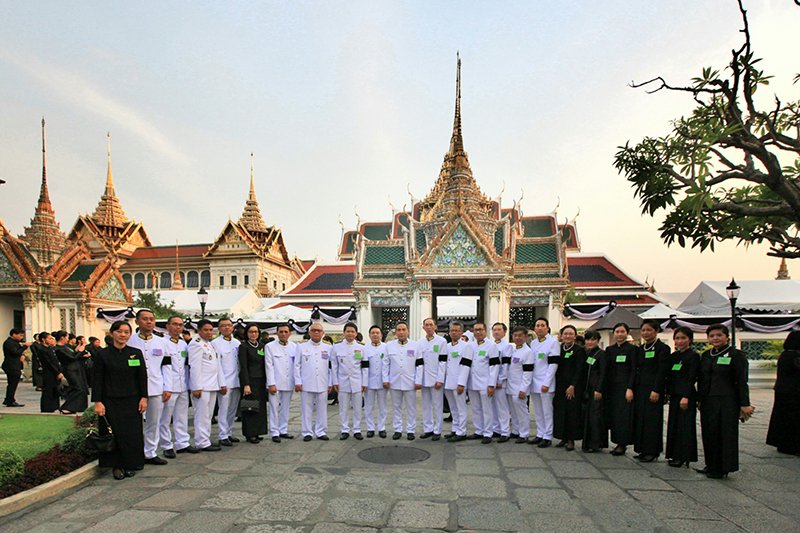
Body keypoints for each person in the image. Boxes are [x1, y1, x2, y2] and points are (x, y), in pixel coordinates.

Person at [696, 323, 754, 479]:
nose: (715, 338)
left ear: (727, 337)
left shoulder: (736, 355)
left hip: (727, 401)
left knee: (725, 434)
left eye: (719, 335)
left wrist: (745, 403)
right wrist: (700, 398)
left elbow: (742, 381)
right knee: (709, 433)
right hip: (708, 400)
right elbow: (702, 379)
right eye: (712, 336)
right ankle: (711, 465)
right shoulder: (707, 355)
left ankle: (723, 467)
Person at [92, 320, 148, 480]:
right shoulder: (102, 355)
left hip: (132, 400)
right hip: (110, 401)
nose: (123, 335)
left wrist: (144, 397)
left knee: (131, 433)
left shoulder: (135, 353)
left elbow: (142, 377)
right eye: (119, 331)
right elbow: (97, 380)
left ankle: (131, 463)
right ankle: (116, 466)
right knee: (114, 433)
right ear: (112, 333)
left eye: (126, 332)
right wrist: (98, 401)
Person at [128, 309, 170, 464]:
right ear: (137, 321)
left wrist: (167, 387)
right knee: (134, 422)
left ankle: (150, 452)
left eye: (151, 319)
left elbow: (166, 366)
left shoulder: (162, 342)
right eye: (145, 319)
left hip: (155, 386)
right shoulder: (129, 340)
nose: (149, 322)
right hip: (133, 389)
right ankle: (135, 451)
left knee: (154, 421)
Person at [632, 319, 671, 463]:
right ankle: (642, 449)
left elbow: (662, 371)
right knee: (641, 419)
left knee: (652, 420)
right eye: (643, 330)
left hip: (654, 389)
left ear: (656, 331)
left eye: (649, 330)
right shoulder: (641, 349)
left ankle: (652, 451)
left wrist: (657, 389)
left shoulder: (662, 349)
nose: (645, 333)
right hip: (640, 388)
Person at [189, 319, 228, 452]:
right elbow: (195, 367)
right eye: (206, 330)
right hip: (202, 386)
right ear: (199, 330)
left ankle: (206, 439)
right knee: (202, 415)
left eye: (211, 330)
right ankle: (201, 442)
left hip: (212, 385)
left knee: (209, 415)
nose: (209, 332)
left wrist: (221, 384)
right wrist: (196, 386)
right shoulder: (196, 344)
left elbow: (216, 366)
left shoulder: (209, 344)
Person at [160, 315, 196, 457]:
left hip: (183, 385)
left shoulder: (184, 344)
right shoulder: (162, 343)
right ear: (168, 326)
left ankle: (182, 443)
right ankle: (166, 445)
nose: (178, 327)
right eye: (174, 324)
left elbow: (187, 366)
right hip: (169, 386)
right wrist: (166, 387)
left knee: (182, 415)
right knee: (165, 417)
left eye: (180, 325)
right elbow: (163, 366)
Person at [665, 327, 700, 467]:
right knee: (673, 425)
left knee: (685, 427)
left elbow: (692, 377)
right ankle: (673, 454)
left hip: (686, 396)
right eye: (677, 338)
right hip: (674, 395)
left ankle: (684, 456)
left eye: (683, 338)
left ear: (690, 340)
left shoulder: (693, 356)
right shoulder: (674, 356)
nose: (680, 341)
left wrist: (686, 396)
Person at [383, 321, 423, 440]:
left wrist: (418, 380)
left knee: (411, 407)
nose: (401, 332)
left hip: (410, 381)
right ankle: (397, 429)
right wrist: (385, 379)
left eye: (403, 329)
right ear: (395, 332)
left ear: (408, 331)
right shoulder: (389, 346)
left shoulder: (415, 346)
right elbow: (385, 364)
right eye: (399, 330)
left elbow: (419, 365)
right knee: (396, 407)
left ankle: (410, 430)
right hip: (394, 381)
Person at [294, 322, 333, 441]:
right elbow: (297, 365)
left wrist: (330, 382)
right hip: (306, 382)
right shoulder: (301, 347)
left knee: (322, 408)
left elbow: (331, 368)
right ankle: (307, 432)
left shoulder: (329, 348)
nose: (316, 332)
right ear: (309, 332)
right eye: (314, 330)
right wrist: (298, 381)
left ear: (323, 333)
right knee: (306, 408)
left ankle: (321, 431)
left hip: (322, 382)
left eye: (319, 331)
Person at [604, 322, 637, 456]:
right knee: (614, 416)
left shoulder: (632, 350)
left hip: (625, 387)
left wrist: (630, 388)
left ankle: (622, 444)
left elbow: (634, 370)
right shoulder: (610, 350)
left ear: (627, 333)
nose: (619, 334)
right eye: (617, 331)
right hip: (612, 388)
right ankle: (616, 441)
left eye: (622, 331)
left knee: (623, 416)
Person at [331, 322, 368, 440]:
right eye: (348, 331)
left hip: (357, 381)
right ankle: (344, 429)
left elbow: (365, 367)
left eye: (353, 331)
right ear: (344, 332)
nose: (350, 334)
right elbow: (334, 366)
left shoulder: (362, 348)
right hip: (342, 382)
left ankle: (357, 429)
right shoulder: (336, 347)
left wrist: (364, 383)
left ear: (356, 333)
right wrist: (335, 382)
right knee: (343, 407)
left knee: (358, 407)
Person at [465, 322, 500, 444]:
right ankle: (478, 430)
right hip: (472, 382)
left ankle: (488, 432)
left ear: (485, 331)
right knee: (475, 408)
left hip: (485, 383)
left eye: (480, 329)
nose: (478, 332)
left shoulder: (491, 346)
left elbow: (494, 367)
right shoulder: (470, 346)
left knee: (487, 409)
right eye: (476, 330)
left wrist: (491, 384)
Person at [553, 324, 586, 452]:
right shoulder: (559, 349)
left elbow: (579, 370)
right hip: (560, 385)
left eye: (570, 334)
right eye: (565, 334)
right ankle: (563, 437)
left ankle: (571, 439)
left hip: (573, 386)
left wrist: (573, 385)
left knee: (572, 412)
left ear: (575, 336)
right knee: (561, 411)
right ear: (561, 335)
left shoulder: (579, 350)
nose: (567, 336)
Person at [766, 330, 800, 455]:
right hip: (794, 393)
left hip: (783, 391)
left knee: (782, 418)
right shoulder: (794, 356)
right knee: (793, 419)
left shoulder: (785, 355)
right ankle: (792, 445)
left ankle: (782, 443)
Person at [528, 318, 560, 448]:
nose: (539, 328)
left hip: (546, 382)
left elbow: (553, 364)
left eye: (542, 325)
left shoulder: (553, 343)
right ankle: (540, 434)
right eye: (537, 325)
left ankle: (547, 436)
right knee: (538, 411)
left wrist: (547, 382)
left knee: (547, 411)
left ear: (547, 328)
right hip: (534, 382)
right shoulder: (534, 343)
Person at [266, 323, 298, 442]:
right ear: (277, 332)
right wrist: (271, 383)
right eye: (281, 332)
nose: (283, 334)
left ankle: (283, 429)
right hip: (275, 382)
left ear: (290, 333)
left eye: (286, 332)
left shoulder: (294, 347)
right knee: (274, 408)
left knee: (285, 407)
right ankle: (274, 432)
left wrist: (296, 381)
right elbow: (268, 366)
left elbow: (296, 365)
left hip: (288, 382)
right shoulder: (270, 346)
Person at [212, 318, 241, 446]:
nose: (226, 328)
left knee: (232, 409)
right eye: (223, 326)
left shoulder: (236, 343)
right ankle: (222, 434)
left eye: (229, 325)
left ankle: (228, 431)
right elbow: (216, 366)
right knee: (223, 409)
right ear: (219, 329)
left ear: (232, 327)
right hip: (224, 382)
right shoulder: (215, 343)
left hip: (236, 381)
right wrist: (221, 383)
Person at [238, 324, 268, 444]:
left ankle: (258, 431)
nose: (253, 334)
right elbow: (243, 366)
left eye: (255, 332)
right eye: (251, 332)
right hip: (250, 380)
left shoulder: (262, 346)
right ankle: (250, 434)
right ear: (247, 333)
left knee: (260, 408)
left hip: (261, 380)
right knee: (250, 407)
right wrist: (246, 384)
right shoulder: (244, 347)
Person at [418, 318, 447, 440]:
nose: (429, 327)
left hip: (436, 380)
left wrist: (440, 379)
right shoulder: (420, 342)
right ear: (423, 327)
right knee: (426, 405)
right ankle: (428, 429)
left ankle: (437, 430)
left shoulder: (441, 341)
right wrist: (418, 380)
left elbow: (443, 362)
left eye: (431, 325)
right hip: (424, 379)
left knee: (437, 405)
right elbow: (419, 362)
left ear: (435, 327)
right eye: (426, 325)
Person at [443, 321, 471, 442]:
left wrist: (462, 383)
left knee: (461, 408)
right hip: (448, 382)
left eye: (456, 330)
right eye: (452, 330)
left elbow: (466, 366)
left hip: (459, 383)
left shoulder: (466, 346)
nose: (454, 333)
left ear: (461, 332)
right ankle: (455, 429)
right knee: (453, 408)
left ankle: (462, 431)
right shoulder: (447, 346)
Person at [506, 325, 534, 443]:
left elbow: (528, 373)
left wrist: (523, 389)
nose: (517, 338)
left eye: (520, 336)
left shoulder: (527, 352)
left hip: (520, 387)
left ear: (526, 337)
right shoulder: (514, 349)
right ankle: (516, 430)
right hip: (511, 386)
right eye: (515, 335)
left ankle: (524, 433)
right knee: (513, 410)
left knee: (522, 411)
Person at [581, 330, 607, 453]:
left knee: (595, 417)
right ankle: (587, 443)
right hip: (587, 390)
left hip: (596, 390)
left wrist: (599, 389)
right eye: (588, 339)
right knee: (587, 416)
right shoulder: (586, 353)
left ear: (598, 340)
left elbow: (603, 373)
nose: (590, 342)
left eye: (593, 339)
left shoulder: (601, 354)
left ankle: (596, 443)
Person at [54, 331, 88, 414]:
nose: (67, 339)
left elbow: (74, 354)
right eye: (67, 337)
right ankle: (67, 407)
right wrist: (81, 352)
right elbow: (72, 358)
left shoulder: (66, 347)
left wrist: (81, 351)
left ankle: (77, 407)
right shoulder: (58, 349)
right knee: (77, 388)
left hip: (75, 369)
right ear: (62, 337)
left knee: (80, 388)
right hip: (69, 370)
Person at [363, 325, 388, 438]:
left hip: (383, 382)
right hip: (369, 382)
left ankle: (382, 428)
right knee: (369, 406)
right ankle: (370, 428)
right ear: (369, 335)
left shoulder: (386, 348)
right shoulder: (365, 348)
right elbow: (363, 366)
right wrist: (363, 382)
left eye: (377, 333)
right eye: (373, 333)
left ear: (381, 335)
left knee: (382, 406)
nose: (375, 335)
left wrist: (387, 379)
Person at [491, 322, 514, 442]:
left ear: (504, 332)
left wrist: (500, 379)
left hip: (501, 381)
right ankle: (496, 429)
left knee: (502, 407)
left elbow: (505, 365)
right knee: (493, 406)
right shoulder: (491, 345)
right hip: (491, 381)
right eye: (494, 330)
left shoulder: (507, 346)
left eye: (499, 330)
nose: (496, 332)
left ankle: (505, 431)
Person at [3, 328, 31, 407]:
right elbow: (15, 352)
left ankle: (8, 399)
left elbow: (18, 352)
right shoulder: (9, 343)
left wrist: (22, 354)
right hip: (11, 366)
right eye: (20, 335)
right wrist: (25, 347)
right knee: (12, 384)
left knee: (12, 384)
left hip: (15, 365)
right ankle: (10, 400)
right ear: (14, 334)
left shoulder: (15, 342)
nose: (21, 337)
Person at [38, 332, 62, 412]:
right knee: (48, 390)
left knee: (55, 389)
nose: (51, 340)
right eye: (49, 338)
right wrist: (57, 372)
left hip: (54, 371)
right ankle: (47, 407)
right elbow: (48, 363)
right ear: (43, 339)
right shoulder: (41, 349)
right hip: (48, 372)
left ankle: (54, 406)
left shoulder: (50, 348)